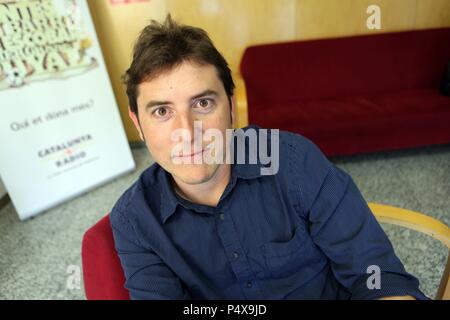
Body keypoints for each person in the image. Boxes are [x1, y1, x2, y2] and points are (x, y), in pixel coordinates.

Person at [110, 15, 427, 300]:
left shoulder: (293, 161)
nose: (187, 132)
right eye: (162, 111)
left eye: (203, 104)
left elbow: (377, 278)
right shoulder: (134, 219)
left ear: (231, 108)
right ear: (138, 123)